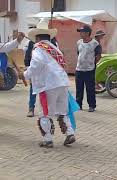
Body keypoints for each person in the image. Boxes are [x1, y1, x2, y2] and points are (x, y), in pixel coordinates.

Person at [21, 20, 76, 148]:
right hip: (62, 83)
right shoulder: (55, 49)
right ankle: (70, 133)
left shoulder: (38, 49)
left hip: (48, 85)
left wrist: (25, 74)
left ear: (38, 37)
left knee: (44, 113)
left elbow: (36, 65)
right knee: (63, 111)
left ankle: (48, 139)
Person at [24, 28, 60, 117]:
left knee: (48, 93)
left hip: (48, 73)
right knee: (34, 90)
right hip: (36, 72)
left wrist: (25, 74)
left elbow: (56, 59)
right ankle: (31, 108)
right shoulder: (32, 44)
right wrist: (28, 69)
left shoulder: (52, 43)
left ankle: (50, 110)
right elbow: (28, 56)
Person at [76, 25, 101, 112]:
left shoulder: (95, 43)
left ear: (87, 33)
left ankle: (92, 106)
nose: (80, 33)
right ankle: (78, 105)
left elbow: (98, 56)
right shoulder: (79, 42)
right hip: (79, 69)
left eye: (82, 32)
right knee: (79, 89)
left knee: (90, 88)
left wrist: (91, 63)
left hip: (90, 70)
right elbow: (78, 53)